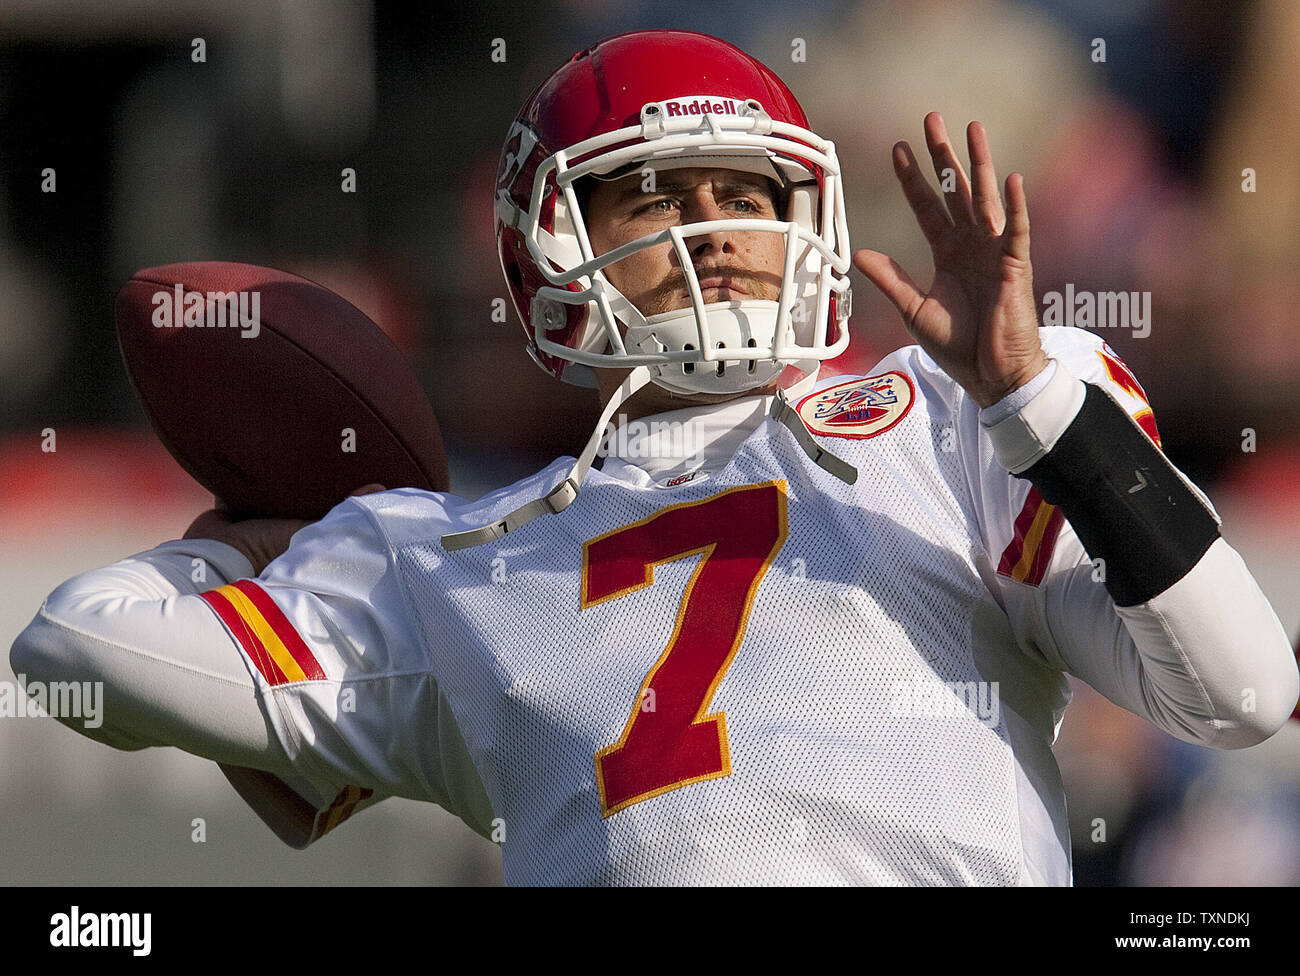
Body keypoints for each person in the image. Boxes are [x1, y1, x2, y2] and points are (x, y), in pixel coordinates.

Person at [11, 29, 1297, 886]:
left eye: (745, 193)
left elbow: (1242, 692)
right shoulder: (442, 554)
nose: (713, 232)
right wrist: (237, 554)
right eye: (656, 197)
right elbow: (71, 652)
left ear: (815, 217)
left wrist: (1031, 404)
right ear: (549, 249)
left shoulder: (959, 415)